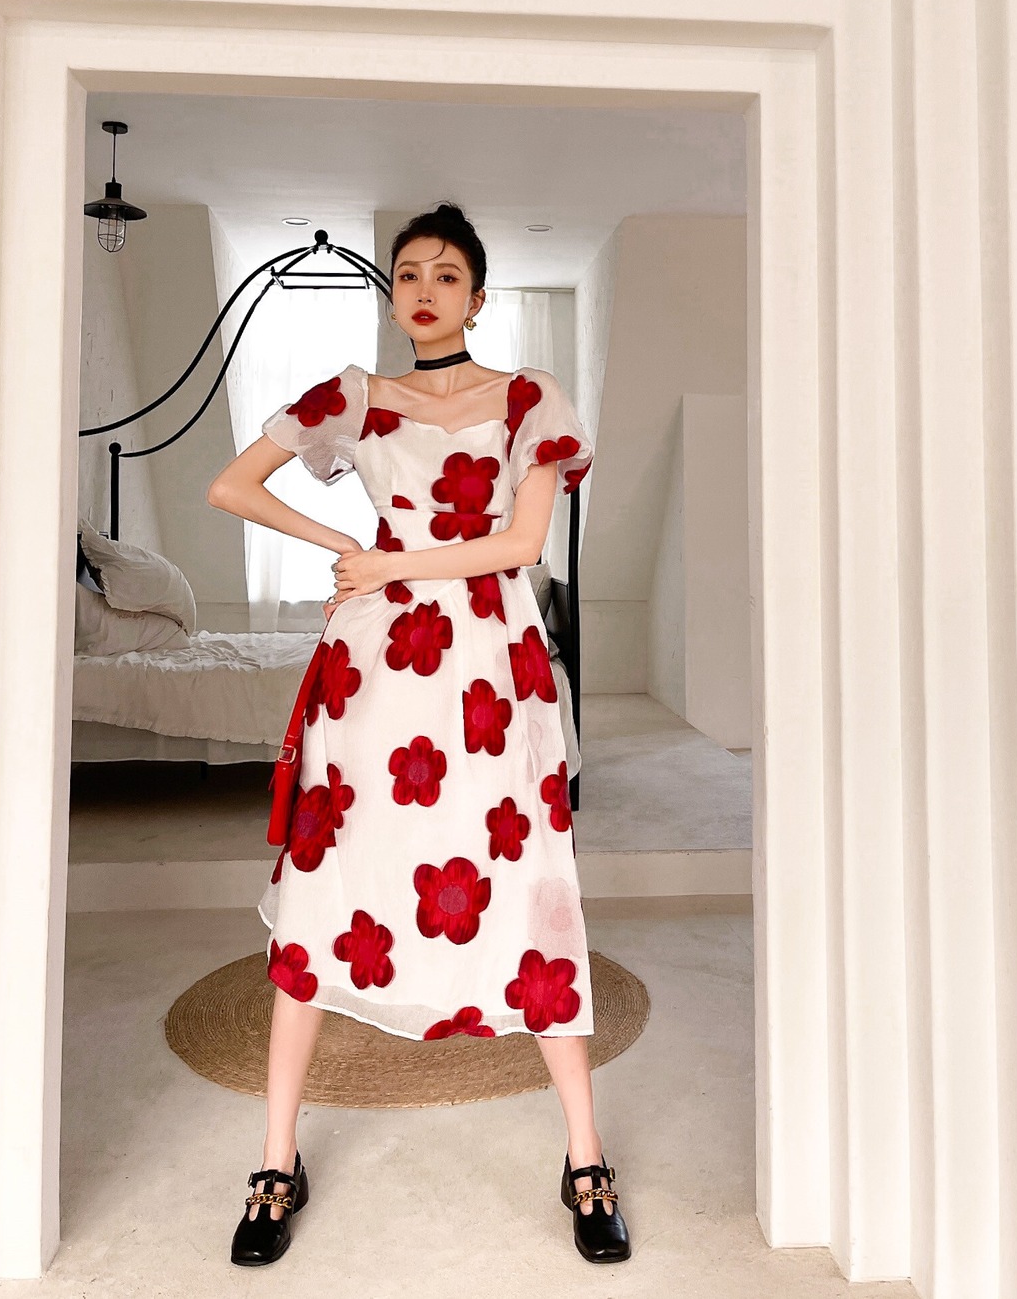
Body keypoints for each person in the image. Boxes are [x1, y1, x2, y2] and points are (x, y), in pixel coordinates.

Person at [207, 202, 631, 1267]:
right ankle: (276, 1159)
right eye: (407, 274)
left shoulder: (530, 398)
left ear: (477, 298)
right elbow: (231, 484)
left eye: (447, 275)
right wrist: (344, 542)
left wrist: (388, 561)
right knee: (329, 886)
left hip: (490, 664)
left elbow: (522, 543)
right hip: (374, 672)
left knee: (531, 884)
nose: (425, 290)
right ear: (393, 296)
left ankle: (584, 1156)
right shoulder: (355, 396)